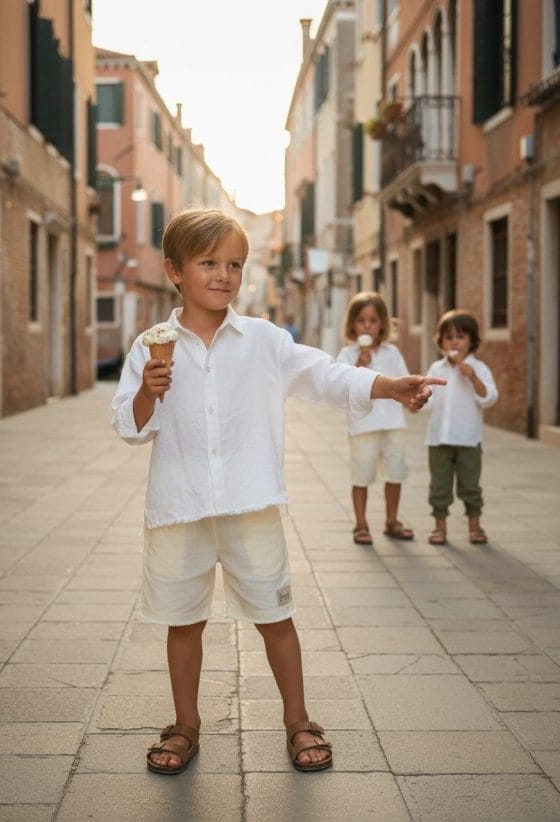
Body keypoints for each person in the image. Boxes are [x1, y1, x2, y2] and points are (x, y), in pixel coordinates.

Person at [111, 207, 445, 776]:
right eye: (208, 262)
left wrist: (389, 386)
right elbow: (129, 426)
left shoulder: (264, 339)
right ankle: (185, 724)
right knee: (183, 621)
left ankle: (299, 719)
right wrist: (148, 392)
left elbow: (325, 374)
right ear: (173, 270)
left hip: (251, 501)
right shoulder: (151, 347)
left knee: (275, 616)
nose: (223, 275)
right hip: (181, 504)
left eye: (234, 264)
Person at [336, 292, 414, 546]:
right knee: (361, 476)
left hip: (393, 425)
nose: (367, 325)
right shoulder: (347, 354)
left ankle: (392, 521)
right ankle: (360, 523)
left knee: (395, 473)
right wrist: (360, 362)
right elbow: (341, 386)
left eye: (373, 320)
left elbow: (404, 380)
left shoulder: (392, 353)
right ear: (352, 325)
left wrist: (414, 399)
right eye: (361, 320)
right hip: (363, 428)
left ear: (382, 324)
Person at [424, 309, 498, 546]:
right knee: (439, 486)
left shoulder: (479, 368)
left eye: (461, 336)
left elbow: (489, 398)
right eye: (448, 337)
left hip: (468, 440)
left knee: (470, 485)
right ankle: (439, 527)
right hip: (438, 440)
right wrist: (420, 398)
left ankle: (475, 527)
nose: (454, 341)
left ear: (471, 341)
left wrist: (473, 378)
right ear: (441, 342)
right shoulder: (437, 369)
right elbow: (430, 399)